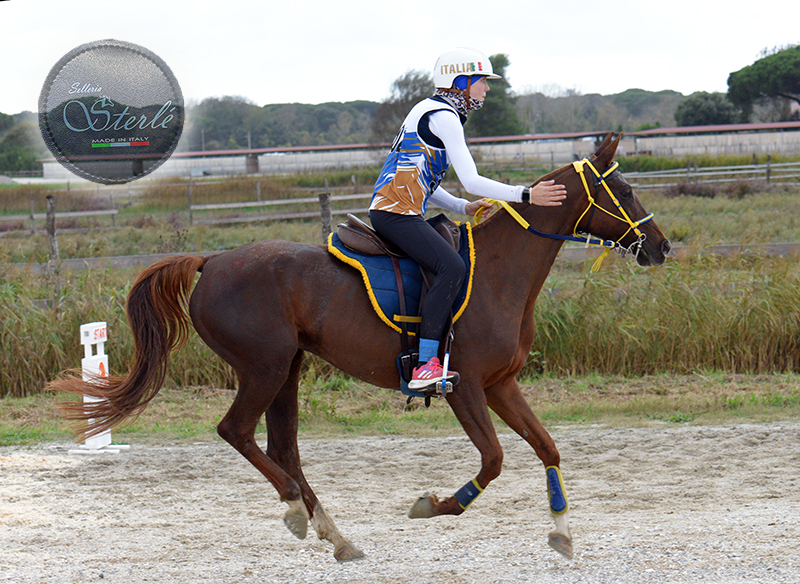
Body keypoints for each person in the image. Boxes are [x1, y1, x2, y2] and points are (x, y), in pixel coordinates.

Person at [369, 47, 567, 391]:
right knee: (452, 267)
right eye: (481, 82)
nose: (486, 89)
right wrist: (527, 195)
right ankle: (425, 366)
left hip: (395, 212)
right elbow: (472, 180)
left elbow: (421, 180)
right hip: (396, 216)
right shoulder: (443, 116)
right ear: (460, 82)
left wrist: (463, 207)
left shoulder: (431, 111)